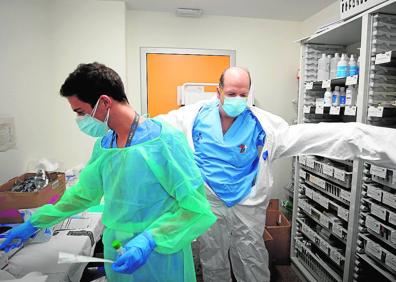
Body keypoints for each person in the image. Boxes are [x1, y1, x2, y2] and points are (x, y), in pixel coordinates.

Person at [158, 66, 396, 282]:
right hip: (209, 200)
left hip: (246, 201)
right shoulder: (191, 118)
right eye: (231, 93)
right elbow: (152, 130)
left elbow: (319, 136)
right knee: (213, 257)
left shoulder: (262, 124)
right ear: (218, 91)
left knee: (251, 256)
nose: (237, 99)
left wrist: (384, 144)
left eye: (243, 94)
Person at [0, 62, 217, 281]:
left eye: (81, 112)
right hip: (117, 247)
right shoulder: (105, 145)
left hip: (161, 254)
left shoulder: (163, 141)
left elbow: (196, 208)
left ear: (104, 102)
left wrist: (150, 239)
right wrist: (35, 222)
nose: (81, 121)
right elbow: (83, 195)